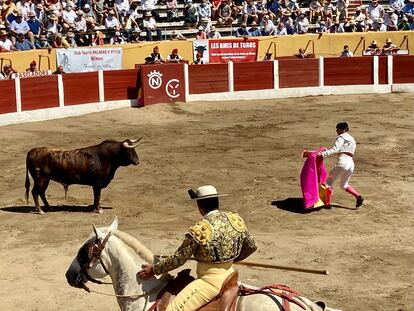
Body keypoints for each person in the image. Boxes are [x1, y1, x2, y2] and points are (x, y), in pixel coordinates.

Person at [137, 185, 257, 311]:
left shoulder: (200, 230)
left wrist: (155, 269)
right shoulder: (235, 220)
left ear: (199, 206)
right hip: (231, 276)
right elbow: (251, 247)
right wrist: (231, 258)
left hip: (210, 283)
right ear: (217, 202)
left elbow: (178, 259)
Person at [317, 122, 364, 208]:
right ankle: (358, 196)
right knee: (344, 185)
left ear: (342, 130)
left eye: (338, 129)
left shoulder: (341, 137)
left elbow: (336, 149)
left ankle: (327, 203)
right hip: (351, 163)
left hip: (344, 161)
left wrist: (323, 154)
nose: (336, 130)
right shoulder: (352, 139)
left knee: (328, 182)